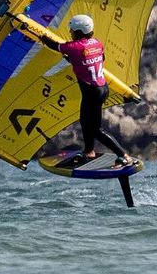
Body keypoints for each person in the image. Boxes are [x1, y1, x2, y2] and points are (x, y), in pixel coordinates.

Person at [36, 14, 129, 164]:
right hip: (102, 89)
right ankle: (89, 151)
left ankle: (124, 155)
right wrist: (76, 60)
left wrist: (38, 33)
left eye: (72, 30)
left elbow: (54, 45)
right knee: (85, 122)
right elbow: (99, 59)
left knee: (96, 130)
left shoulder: (74, 47)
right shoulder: (97, 43)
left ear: (78, 31)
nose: (70, 33)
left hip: (92, 93)